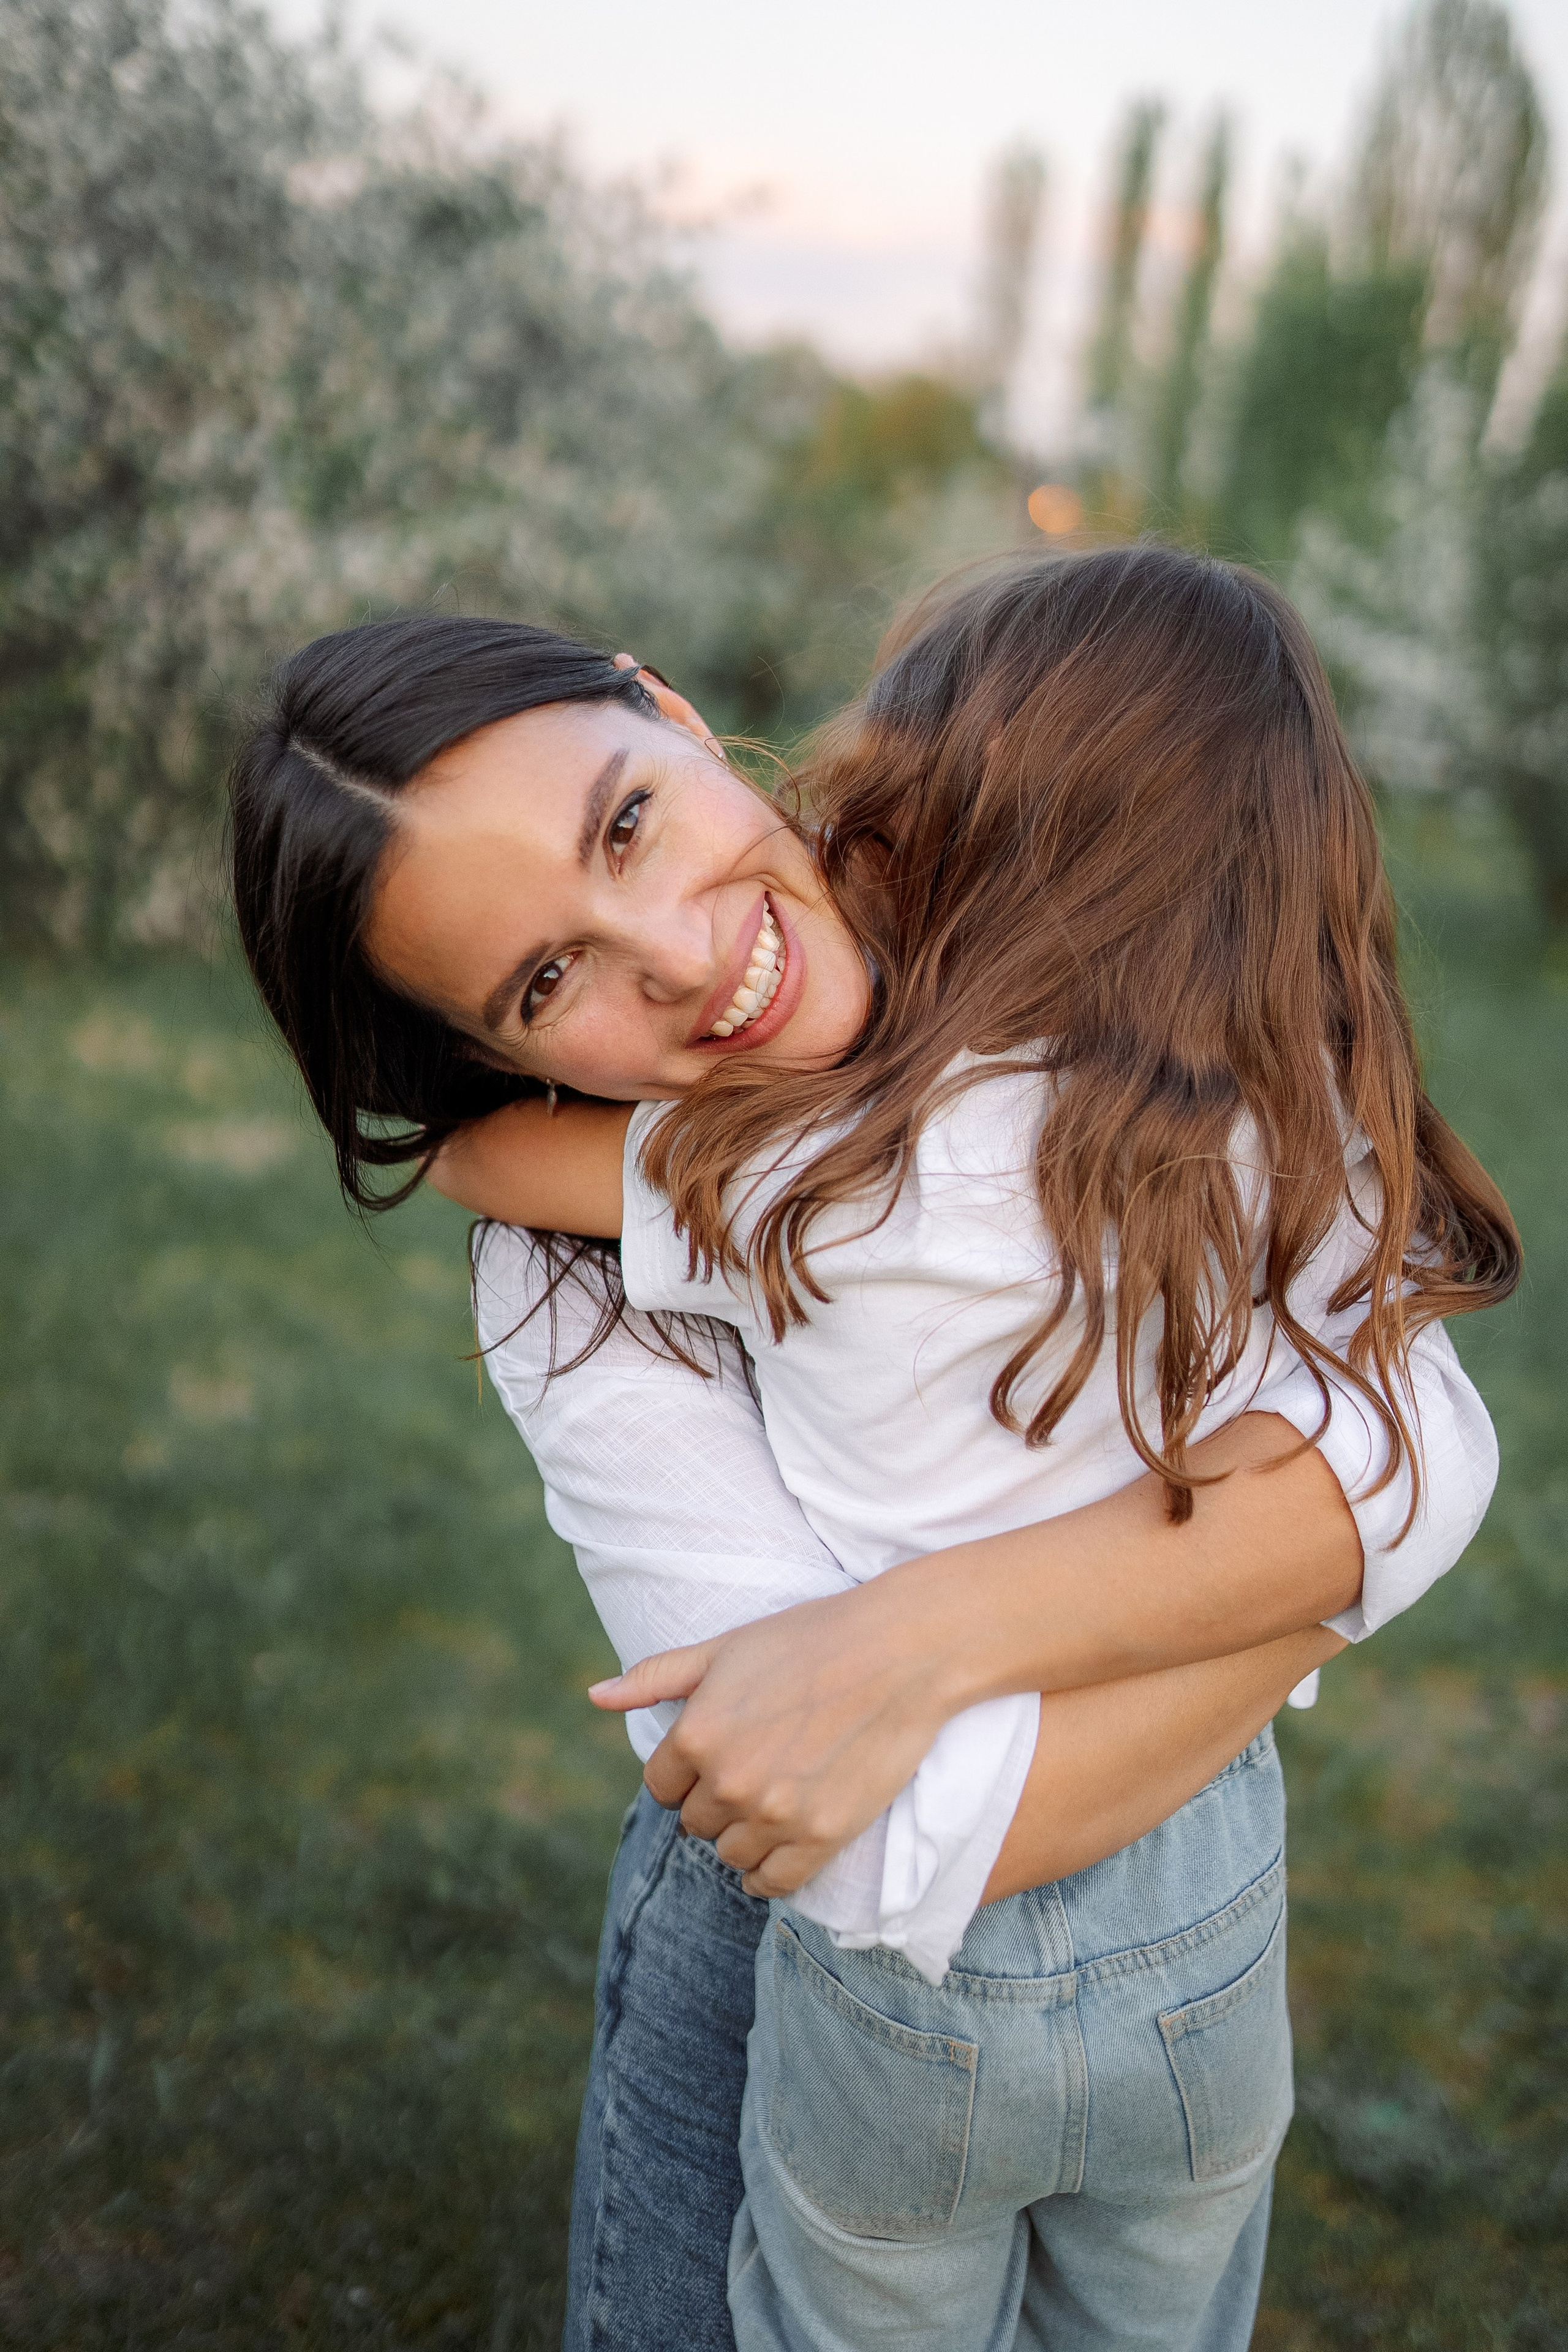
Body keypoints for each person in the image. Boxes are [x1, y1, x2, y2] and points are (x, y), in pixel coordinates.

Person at [228, 549, 1514, 2350]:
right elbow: (873, 1850)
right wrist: (1277, 1591)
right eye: (544, 988)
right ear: (480, 1047)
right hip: (966, 1927)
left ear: (670, 710)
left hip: (931, 2004)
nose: (685, 960)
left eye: (627, 825)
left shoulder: (881, 1065)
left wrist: (909, 1637)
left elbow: (1419, 1454)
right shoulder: (1117, 1044)